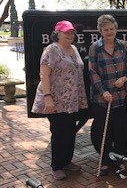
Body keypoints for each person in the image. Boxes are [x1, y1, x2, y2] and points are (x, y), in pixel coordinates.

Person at [32, 20, 88, 180]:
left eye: (72, 32)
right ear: (57, 33)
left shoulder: (74, 49)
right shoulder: (52, 50)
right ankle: (56, 166)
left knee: (70, 132)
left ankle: (67, 161)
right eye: (66, 32)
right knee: (59, 132)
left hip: (72, 100)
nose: (70, 35)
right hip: (56, 100)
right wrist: (48, 98)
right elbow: (44, 75)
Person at [88, 14, 127, 178]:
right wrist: (104, 92)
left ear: (116, 29)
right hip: (102, 100)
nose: (109, 31)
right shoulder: (95, 48)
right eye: (105, 29)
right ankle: (106, 162)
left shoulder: (123, 46)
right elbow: (92, 72)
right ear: (100, 31)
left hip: (121, 98)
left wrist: (124, 78)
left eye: (111, 28)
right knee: (104, 133)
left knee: (121, 132)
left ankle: (120, 163)